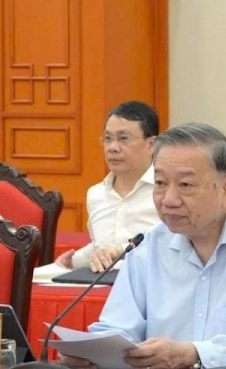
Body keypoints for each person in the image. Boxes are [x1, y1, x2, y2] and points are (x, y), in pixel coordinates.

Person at [72, 123, 226, 369]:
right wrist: (91, 354)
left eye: (185, 185)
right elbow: (117, 328)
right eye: (160, 183)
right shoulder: (147, 246)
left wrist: (192, 354)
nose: (169, 200)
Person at [58, 102, 162, 272]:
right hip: (103, 288)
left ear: (151, 144)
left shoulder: (166, 192)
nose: (113, 148)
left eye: (123, 139)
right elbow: (101, 246)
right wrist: (73, 261)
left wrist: (119, 250)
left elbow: (171, 245)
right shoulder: (96, 194)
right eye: (108, 139)